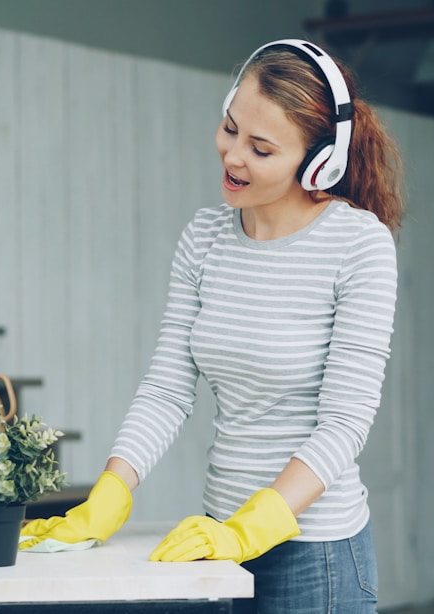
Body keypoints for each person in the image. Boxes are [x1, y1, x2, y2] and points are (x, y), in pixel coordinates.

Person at [20, 38, 404, 613]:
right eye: (229, 129)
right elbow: (168, 388)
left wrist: (257, 524)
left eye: (261, 148)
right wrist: (112, 488)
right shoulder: (205, 238)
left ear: (319, 161)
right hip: (216, 542)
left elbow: (345, 422)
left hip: (317, 555)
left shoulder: (357, 244)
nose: (233, 157)